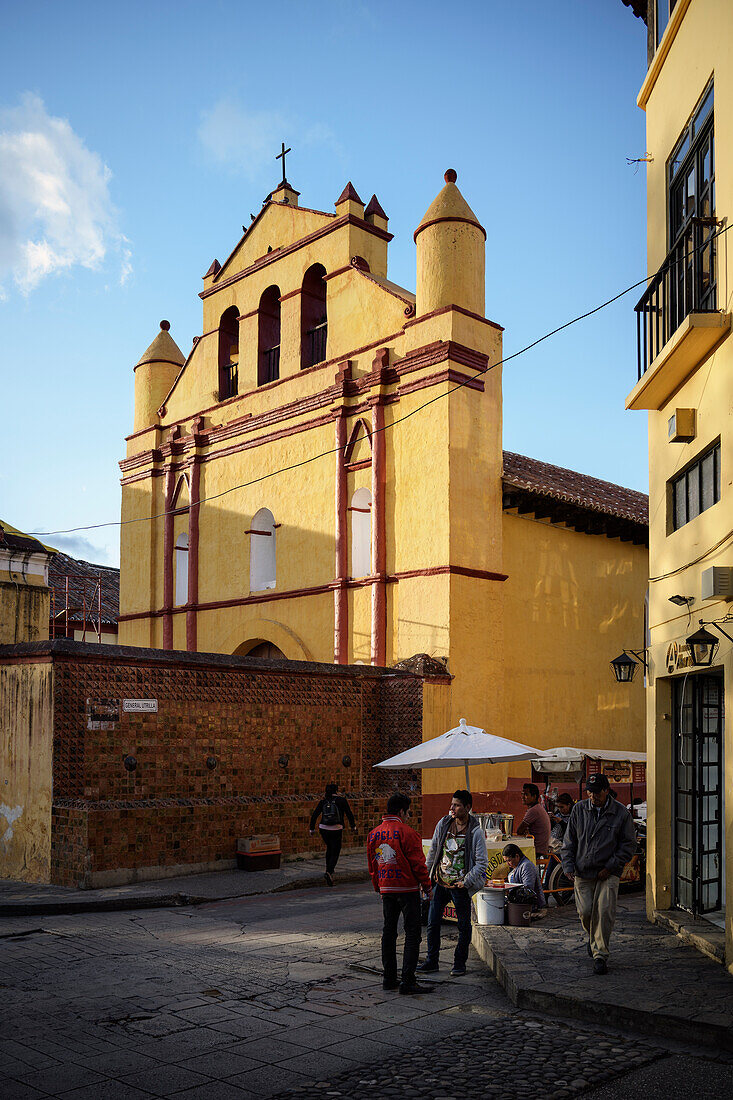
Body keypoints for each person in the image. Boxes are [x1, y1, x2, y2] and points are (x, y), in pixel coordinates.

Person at [561, 773, 637, 975]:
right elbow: (569, 841)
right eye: (589, 792)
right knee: (585, 912)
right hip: (583, 871)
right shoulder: (579, 809)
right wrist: (568, 866)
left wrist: (612, 866)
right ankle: (594, 939)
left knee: (604, 912)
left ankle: (600, 955)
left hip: (608, 872)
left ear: (606, 790)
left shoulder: (621, 813)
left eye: (596, 792)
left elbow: (628, 845)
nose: (592, 796)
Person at [367, 793, 434, 995]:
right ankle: (408, 980)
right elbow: (418, 864)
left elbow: (372, 865)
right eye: (408, 812)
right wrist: (428, 887)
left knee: (389, 932)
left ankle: (389, 978)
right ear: (402, 811)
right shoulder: (408, 833)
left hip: (387, 887)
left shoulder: (374, 834)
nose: (408, 816)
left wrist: (378, 886)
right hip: (407, 889)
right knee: (412, 933)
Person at [419, 789, 488, 977]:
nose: (452, 808)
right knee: (433, 923)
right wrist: (426, 876)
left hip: (460, 887)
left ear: (467, 807)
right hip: (440, 882)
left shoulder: (475, 831)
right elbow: (433, 851)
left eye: (457, 805)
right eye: (452, 804)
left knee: (464, 926)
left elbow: (482, 863)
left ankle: (459, 964)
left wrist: (465, 882)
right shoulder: (444, 823)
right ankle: (431, 961)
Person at [309, 783, 355, 886]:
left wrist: (311, 829)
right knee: (336, 850)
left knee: (329, 848)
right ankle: (329, 871)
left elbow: (315, 815)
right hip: (336, 829)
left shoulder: (323, 801)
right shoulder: (341, 801)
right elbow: (349, 813)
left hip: (323, 828)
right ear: (336, 790)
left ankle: (327, 869)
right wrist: (353, 826)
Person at [503, 842, 545, 909]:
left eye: (509, 861)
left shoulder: (527, 866)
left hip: (530, 904)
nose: (507, 864)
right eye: (506, 861)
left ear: (517, 856)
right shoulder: (515, 866)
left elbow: (528, 890)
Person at [516, 783, 551, 856]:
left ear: (534, 796)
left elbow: (519, 830)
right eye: (522, 794)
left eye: (526, 794)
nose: (522, 797)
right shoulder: (537, 808)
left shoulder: (534, 810)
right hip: (540, 848)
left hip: (536, 850)